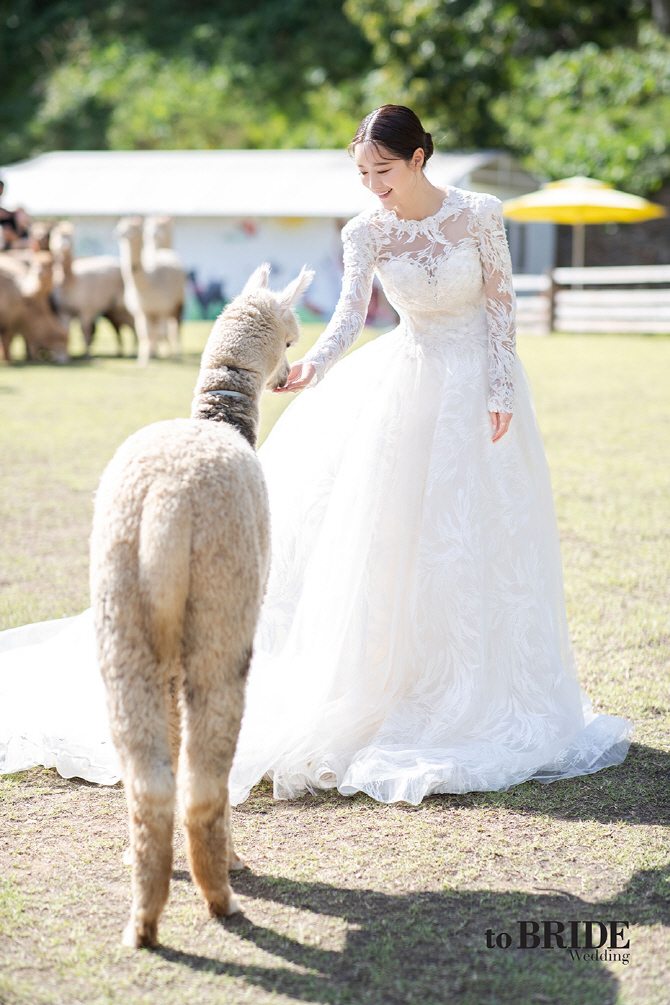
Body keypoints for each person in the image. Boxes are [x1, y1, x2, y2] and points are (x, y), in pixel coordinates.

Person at [0, 106, 631, 805]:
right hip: (410, 381)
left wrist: (503, 384)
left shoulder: (480, 213)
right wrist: (313, 367)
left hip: (478, 384)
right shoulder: (365, 230)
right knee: (400, 539)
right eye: (362, 173)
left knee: (481, 537)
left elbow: (501, 306)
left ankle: (483, 689)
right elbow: (350, 316)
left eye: (382, 172)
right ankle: (399, 684)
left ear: (419, 157)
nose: (372, 187)